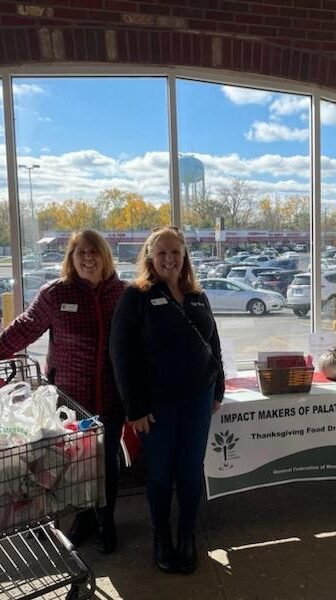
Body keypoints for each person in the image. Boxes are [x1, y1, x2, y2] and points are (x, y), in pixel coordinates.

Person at [0, 230, 127, 552]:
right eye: (81, 253)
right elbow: (24, 328)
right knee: (73, 465)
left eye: (95, 252)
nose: (88, 258)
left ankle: (105, 519)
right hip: (69, 401)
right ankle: (83, 518)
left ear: (105, 256)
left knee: (107, 461)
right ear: (71, 258)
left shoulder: (122, 293)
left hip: (112, 398)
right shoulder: (55, 294)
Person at [109, 226, 224, 575]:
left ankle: (187, 535)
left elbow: (213, 343)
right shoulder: (136, 297)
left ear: (184, 256)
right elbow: (121, 355)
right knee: (159, 474)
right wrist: (135, 408)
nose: (170, 259)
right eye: (162, 253)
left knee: (191, 472)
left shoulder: (197, 295)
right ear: (150, 257)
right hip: (156, 407)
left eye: (176, 252)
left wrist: (217, 389)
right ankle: (162, 536)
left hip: (197, 402)